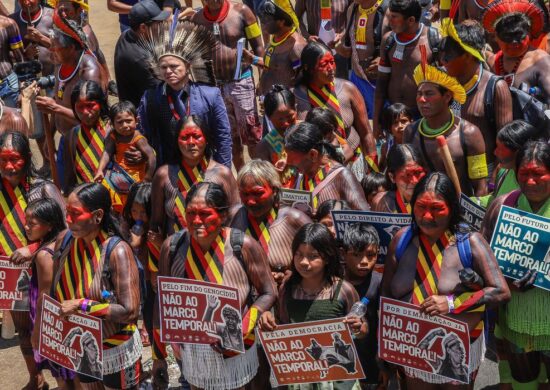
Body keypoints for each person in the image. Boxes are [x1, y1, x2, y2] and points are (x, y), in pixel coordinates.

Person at [381, 172, 510, 386]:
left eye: (436, 209)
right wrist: (384, 344)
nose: (427, 217)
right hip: (411, 348)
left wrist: (450, 303)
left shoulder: (471, 244)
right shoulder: (401, 240)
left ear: (451, 208)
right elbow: (386, 293)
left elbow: (501, 291)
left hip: (458, 351)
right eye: (421, 207)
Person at [151, 181, 277, 389]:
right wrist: (158, 355)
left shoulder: (243, 246)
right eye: (191, 213)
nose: (196, 221)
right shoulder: (172, 247)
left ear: (224, 215)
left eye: (205, 214)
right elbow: (162, 301)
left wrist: (241, 327)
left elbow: (268, 292)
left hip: (235, 348)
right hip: (192, 349)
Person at [52, 183, 142, 389]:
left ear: (98, 215)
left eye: (75, 214)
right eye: (67, 212)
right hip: (84, 347)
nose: (68, 220)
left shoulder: (117, 251)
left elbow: (129, 311)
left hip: (116, 348)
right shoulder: (64, 242)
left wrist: (83, 305)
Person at [258, 223, 367, 389]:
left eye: (313, 256)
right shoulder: (287, 289)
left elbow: (362, 330)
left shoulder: (343, 290)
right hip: (301, 377)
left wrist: (359, 328)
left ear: (327, 257)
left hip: (337, 378)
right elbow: (282, 326)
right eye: (298, 254)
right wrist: (267, 320)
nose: (303, 262)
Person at [480, 141, 550, 389]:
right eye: (524, 174)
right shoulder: (502, 206)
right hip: (514, 319)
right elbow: (483, 259)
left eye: (538, 174)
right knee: (523, 381)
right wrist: (505, 282)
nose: (530, 181)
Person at [0, 131, 64, 390]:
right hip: (10, 274)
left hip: (43, 272)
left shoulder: (43, 189)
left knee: (51, 328)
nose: (9, 166)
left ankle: (65, 382)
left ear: (27, 158)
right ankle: (35, 379)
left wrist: (34, 247)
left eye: (15, 159)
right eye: (3, 159)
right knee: (24, 331)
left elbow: (67, 230)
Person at [137, 19, 232, 168]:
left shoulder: (210, 95)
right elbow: (142, 133)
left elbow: (223, 136)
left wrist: (223, 171)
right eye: (164, 67)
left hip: (205, 168)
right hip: (168, 170)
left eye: (174, 66)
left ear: (188, 66)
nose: (168, 71)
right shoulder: (150, 98)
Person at [191, 0, 264, 171]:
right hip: (214, 88)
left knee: (253, 136)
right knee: (230, 140)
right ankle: (242, 180)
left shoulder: (243, 12)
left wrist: (262, 77)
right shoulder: (196, 20)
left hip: (242, 83)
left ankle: (259, 177)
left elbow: (259, 46)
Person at [404, 55, 489, 197]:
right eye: (419, 94)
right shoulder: (410, 132)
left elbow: (481, 187)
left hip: (460, 212)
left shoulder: (469, 133)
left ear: (447, 97)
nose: (422, 99)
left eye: (429, 93)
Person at [35, 11, 104, 185]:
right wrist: (49, 136)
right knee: (66, 187)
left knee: (86, 189)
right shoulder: (61, 64)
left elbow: (91, 117)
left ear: (72, 48)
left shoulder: (89, 71)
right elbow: (57, 102)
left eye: (55, 47)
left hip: (88, 142)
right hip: (67, 139)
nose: (51, 51)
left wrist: (55, 108)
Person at [439, 18, 513, 179]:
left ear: (467, 56)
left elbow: (506, 142)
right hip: (446, 173)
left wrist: (493, 182)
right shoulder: (442, 83)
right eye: (442, 54)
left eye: (448, 57)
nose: (442, 61)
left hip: (484, 176)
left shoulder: (496, 87)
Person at [17, 198, 77, 389]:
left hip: (50, 322)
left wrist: (37, 331)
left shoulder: (44, 255)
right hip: (62, 318)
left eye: (32, 224)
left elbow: (45, 295)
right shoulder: (62, 244)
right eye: (26, 222)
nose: (26, 227)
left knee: (60, 372)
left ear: (49, 225)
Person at [294, 41, 379, 174]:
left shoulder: (347, 88)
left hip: (355, 163)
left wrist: (374, 171)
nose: (331, 68)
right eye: (323, 64)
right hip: (322, 169)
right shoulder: (299, 96)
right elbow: (302, 141)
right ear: (308, 68)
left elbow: (366, 132)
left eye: (332, 62)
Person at [149, 115, 239, 240]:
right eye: (185, 138)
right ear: (177, 141)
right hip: (176, 252)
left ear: (206, 139)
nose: (191, 142)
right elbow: (155, 224)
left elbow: (235, 218)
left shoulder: (223, 174)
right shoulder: (163, 175)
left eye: (196, 137)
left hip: (215, 252)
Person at [231, 159, 312, 286]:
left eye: (257, 193)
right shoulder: (233, 218)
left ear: (274, 190)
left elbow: (318, 261)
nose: (250, 201)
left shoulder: (294, 220)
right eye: (245, 194)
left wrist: (293, 275)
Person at [373, 0, 438, 136]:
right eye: (389, 16)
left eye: (394, 17)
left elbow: (446, 86)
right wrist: (376, 120)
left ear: (411, 20)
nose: (388, 21)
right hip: (393, 115)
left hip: (422, 116)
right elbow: (381, 83)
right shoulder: (389, 40)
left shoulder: (433, 40)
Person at [285, 121, 369, 212]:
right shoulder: (300, 177)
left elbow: (364, 219)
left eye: (293, 159)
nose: (288, 162)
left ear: (313, 155)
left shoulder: (342, 176)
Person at [484, 0, 550, 104]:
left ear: (529, 33)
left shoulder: (541, 61)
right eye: (508, 36)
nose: (514, 42)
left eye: (519, 35)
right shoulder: (492, 62)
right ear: (495, 36)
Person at [95, 100, 156, 212]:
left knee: (132, 205)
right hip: (117, 176)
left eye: (129, 121)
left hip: (135, 178)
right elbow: (107, 152)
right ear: (112, 124)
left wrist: (147, 179)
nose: (125, 125)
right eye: (120, 122)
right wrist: (100, 170)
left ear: (136, 121)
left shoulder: (138, 138)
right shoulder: (113, 136)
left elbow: (151, 157)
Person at [342, 222, 383, 387]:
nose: (364, 261)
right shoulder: (333, 281)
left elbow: (385, 325)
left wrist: (384, 364)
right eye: (356, 255)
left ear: (378, 253)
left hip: (369, 362)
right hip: (339, 364)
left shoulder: (380, 283)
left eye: (370, 255)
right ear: (343, 254)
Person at [336, 0, 390, 119]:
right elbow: (348, 43)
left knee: (383, 123)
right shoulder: (352, 9)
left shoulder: (388, 9)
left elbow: (400, 41)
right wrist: (339, 46)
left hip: (380, 81)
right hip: (357, 78)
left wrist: (384, 59)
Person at [120, 182, 158, 348]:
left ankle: (153, 337)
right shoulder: (128, 225)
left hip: (152, 279)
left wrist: (155, 242)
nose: (138, 216)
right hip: (135, 278)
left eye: (143, 212)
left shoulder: (156, 227)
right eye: (134, 211)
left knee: (151, 313)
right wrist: (134, 241)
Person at [114, 0, 170, 107]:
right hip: (144, 115)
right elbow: (162, 93)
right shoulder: (141, 59)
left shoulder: (126, 35)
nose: (162, 27)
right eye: (158, 24)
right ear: (143, 28)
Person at [64, 80, 111, 193]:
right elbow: (70, 179)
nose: (85, 112)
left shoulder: (113, 128)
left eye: (90, 106)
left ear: (100, 103)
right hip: (87, 198)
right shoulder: (71, 136)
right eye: (80, 107)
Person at [55, 0, 112, 89]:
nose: (63, 15)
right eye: (60, 10)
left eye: (66, 10)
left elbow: (96, 52)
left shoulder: (85, 36)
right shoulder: (65, 30)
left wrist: (108, 80)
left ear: (78, 11)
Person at [257, 0, 307, 96]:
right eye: (261, 20)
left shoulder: (296, 47)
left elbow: (302, 84)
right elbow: (272, 65)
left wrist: (281, 102)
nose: (262, 24)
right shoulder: (275, 39)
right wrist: (251, 59)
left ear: (281, 21)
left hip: (285, 106)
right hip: (271, 104)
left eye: (266, 20)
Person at [294, 0, 351, 78]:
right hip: (315, 52)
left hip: (339, 51)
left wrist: (342, 35)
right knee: (315, 83)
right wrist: (307, 36)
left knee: (339, 84)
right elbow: (296, 16)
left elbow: (353, 19)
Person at [372, 143, 426, 213]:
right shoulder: (381, 203)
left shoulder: (433, 201)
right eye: (407, 175)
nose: (414, 181)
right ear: (392, 177)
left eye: (417, 173)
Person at [255, 84, 297, 165]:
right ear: (268, 117)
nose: (285, 123)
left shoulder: (307, 131)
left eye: (290, 116)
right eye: (280, 119)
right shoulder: (264, 147)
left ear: (296, 109)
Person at [379, 102, 414, 169]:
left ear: (411, 122)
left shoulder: (417, 143)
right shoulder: (386, 147)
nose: (400, 126)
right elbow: (382, 167)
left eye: (404, 121)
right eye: (395, 123)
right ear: (389, 127)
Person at [0, 13, 25, 107]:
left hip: (8, 85)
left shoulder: (8, 24)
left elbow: (20, 58)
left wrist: (22, 87)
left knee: (12, 119)